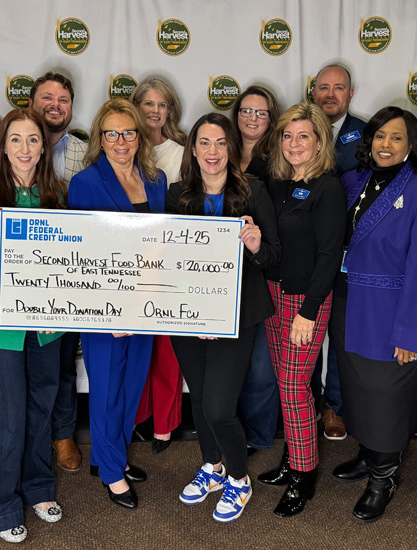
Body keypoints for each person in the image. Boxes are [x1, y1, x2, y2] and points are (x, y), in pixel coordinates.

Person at [330, 106, 417, 524]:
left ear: (411, 145)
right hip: (347, 306)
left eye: (396, 137)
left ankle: (383, 478)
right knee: (358, 389)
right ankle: (367, 454)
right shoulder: (350, 182)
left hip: (392, 314)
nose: (385, 144)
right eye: (379, 136)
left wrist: (409, 334)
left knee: (387, 397)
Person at [0, 108, 67, 543]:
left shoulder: (56, 194)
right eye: (16, 140)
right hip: (0, 324)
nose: (25, 149)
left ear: (44, 146)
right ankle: (3, 505)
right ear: (3, 145)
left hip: (47, 322)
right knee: (8, 416)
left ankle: (39, 488)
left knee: (42, 405)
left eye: (33, 140)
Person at [0, 71, 88, 472]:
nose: (55, 105)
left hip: (59, 292)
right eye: (47, 97)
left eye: (63, 99)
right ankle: (16, 467)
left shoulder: (77, 157)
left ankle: (59, 439)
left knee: (56, 375)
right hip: (5, 296)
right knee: (14, 394)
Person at [170, 113, 280, 523]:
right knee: (199, 397)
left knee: (218, 407)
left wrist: (255, 244)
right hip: (187, 316)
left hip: (238, 315)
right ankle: (212, 467)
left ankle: (238, 478)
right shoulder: (177, 193)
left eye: (220, 143)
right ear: (193, 148)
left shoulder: (254, 191)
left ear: (231, 149)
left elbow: (273, 255)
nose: (212, 151)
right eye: (204, 142)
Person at [67, 99, 166, 509]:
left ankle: (114, 456)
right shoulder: (86, 182)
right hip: (105, 308)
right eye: (112, 133)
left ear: (139, 136)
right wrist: (109, 309)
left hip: (145, 302)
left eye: (128, 132)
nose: (121, 141)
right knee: (106, 389)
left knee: (131, 386)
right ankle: (110, 472)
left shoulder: (156, 179)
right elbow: (83, 253)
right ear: (100, 139)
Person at [257, 103, 346, 518]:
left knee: (294, 389)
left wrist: (308, 311)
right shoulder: (276, 182)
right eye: (288, 136)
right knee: (288, 385)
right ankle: (294, 460)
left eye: (303, 136)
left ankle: (304, 476)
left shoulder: (327, 187)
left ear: (319, 142)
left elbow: (330, 255)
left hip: (304, 302)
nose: (294, 144)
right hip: (273, 295)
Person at [311, 63, 367, 441]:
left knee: (341, 336)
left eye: (339, 87)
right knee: (305, 331)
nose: (331, 94)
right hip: (304, 253)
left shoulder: (366, 135)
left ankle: (334, 407)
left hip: (350, 254)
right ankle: (305, 401)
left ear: (350, 94)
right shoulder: (296, 129)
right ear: (312, 92)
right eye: (324, 87)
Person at [130, 77, 186, 454]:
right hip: (130, 265)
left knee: (166, 350)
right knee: (136, 348)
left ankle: (164, 423)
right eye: (147, 103)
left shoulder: (182, 154)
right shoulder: (123, 146)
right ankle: (137, 417)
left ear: (171, 110)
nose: (154, 111)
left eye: (161, 104)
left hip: (169, 263)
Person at [229, 86, 282, 455]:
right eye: (246, 110)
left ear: (271, 118)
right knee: (231, 365)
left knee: (262, 367)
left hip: (264, 272)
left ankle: (259, 435)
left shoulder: (280, 157)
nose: (252, 118)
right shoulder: (221, 152)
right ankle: (229, 429)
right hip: (222, 273)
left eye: (260, 112)